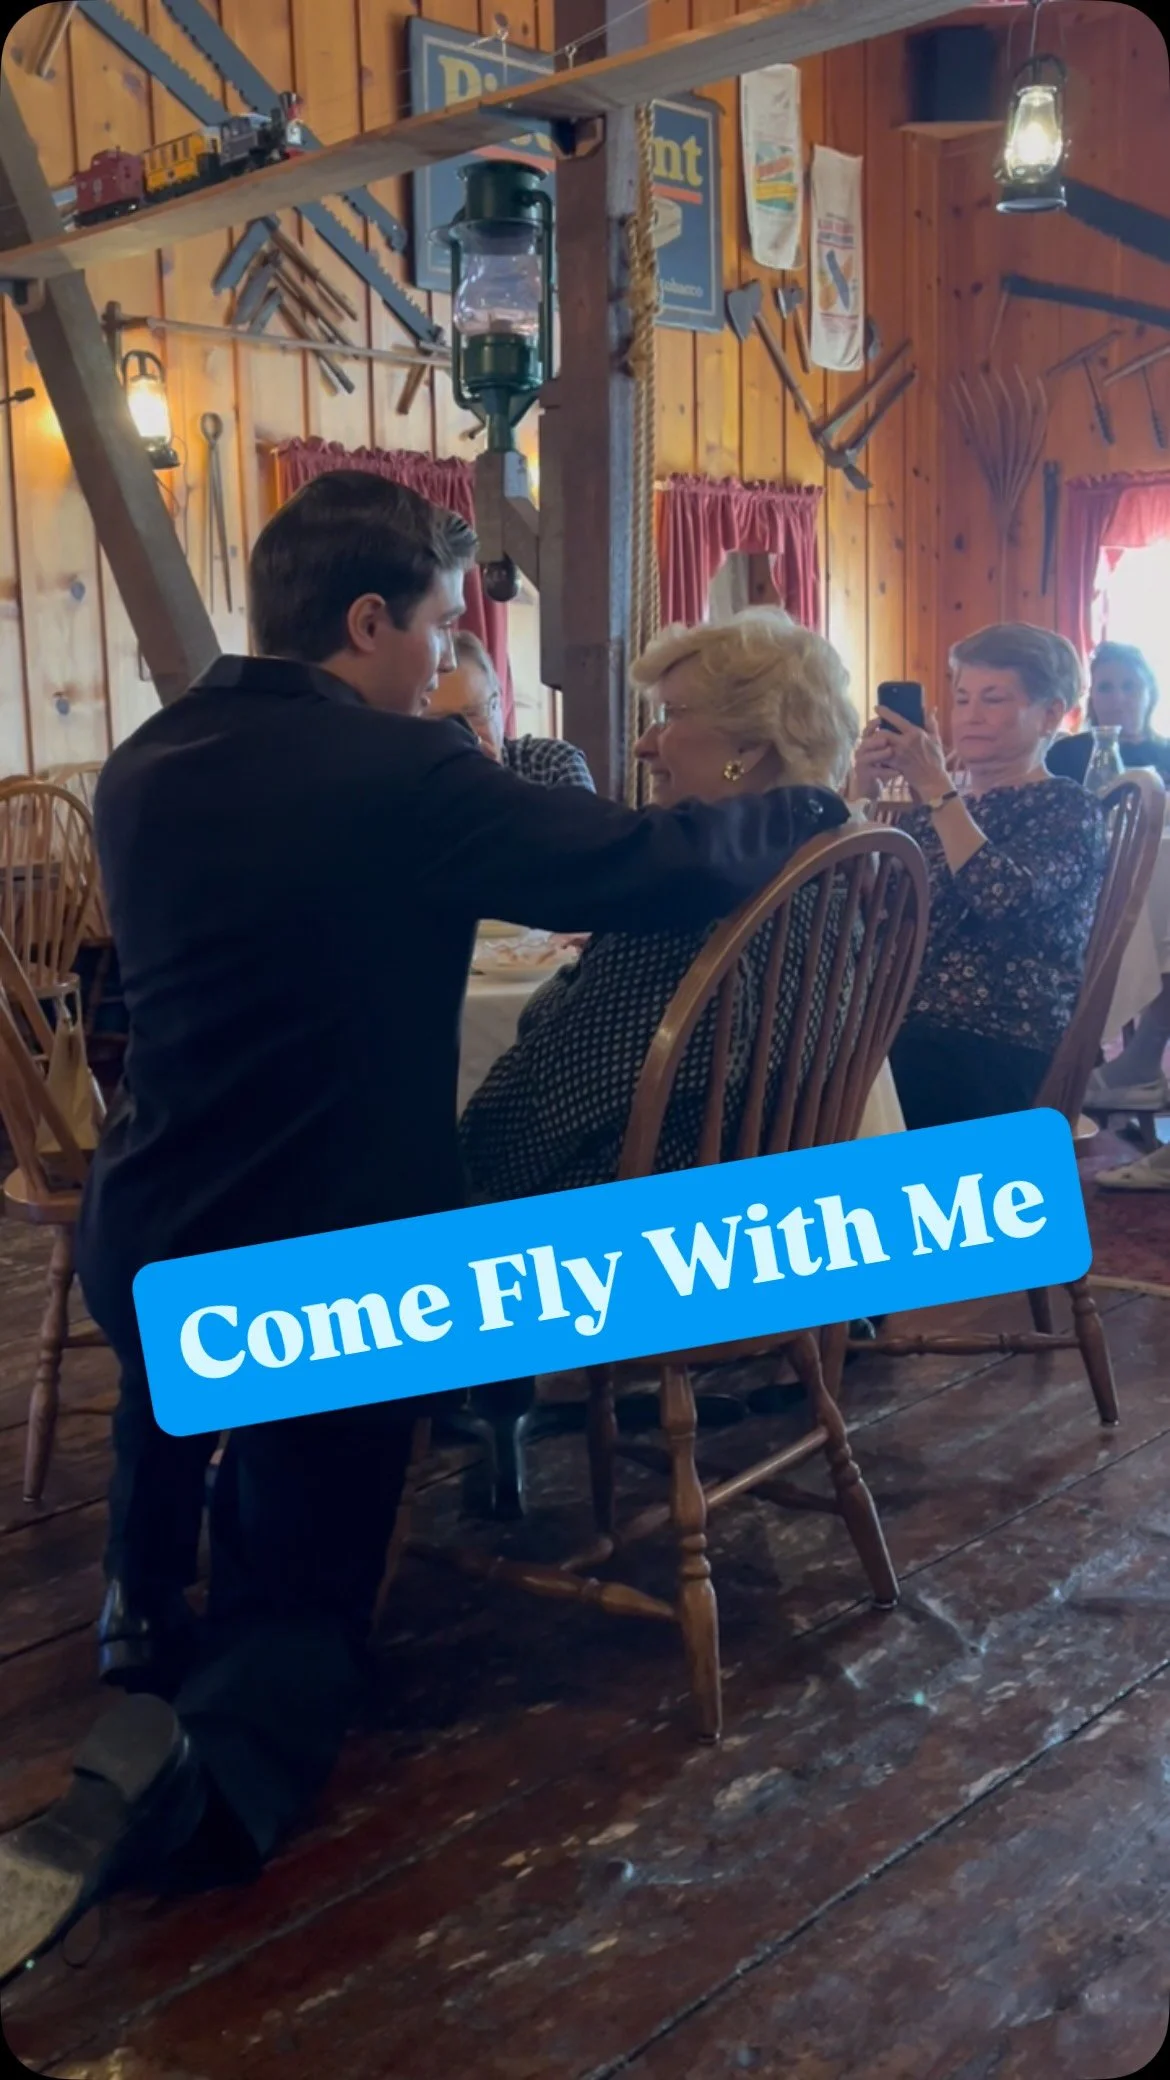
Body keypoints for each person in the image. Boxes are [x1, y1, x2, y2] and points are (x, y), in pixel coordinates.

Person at [0, 473, 847, 1985]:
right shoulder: (404, 772)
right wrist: (806, 803)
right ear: (365, 621)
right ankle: (206, 1789)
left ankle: (142, 1609)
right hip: (323, 1251)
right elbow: (643, 866)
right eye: (442, 625)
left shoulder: (145, 760)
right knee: (308, 1583)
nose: (450, 656)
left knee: (185, 1392)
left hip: (143, 1219)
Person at [461, 611, 861, 1203]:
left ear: (748, 746)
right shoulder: (831, 878)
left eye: (670, 715)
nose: (644, 744)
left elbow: (535, 1119)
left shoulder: (691, 900)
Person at [853, 623, 1108, 1130]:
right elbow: (869, 907)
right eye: (963, 698)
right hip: (901, 1019)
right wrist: (860, 791)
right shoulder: (939, 808)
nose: (970, 716)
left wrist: (937, 789)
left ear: (1050, 714)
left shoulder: (1067, 806)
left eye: (993, 699)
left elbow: (1000, 894)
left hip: (991, 1034)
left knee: (828, 1111)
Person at [427, 629, 595, 789]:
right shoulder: (416, 785)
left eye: (475, 714)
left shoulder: (551, 765)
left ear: (499, 705)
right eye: (443, 724)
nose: (466, 734)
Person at [1047, 641, 1170, 785]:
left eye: (1129, 686)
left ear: (1150, 694)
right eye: (1105, 688)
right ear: (1092, 697)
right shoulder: (1064, 754)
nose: (1117, 699)